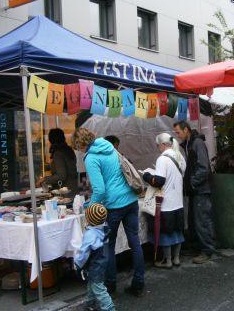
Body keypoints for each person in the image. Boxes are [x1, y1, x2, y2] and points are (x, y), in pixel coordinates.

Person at [72, 127, 145, 297]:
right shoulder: (108, 146)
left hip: (114, 205)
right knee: (135, 242)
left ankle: (110, 285)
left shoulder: (91, 158)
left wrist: (91, 207)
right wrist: (92, 201)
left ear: (79, 144)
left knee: (108, 246)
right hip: (131, 199)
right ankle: (139, 283)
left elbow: (100, 190)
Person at [173, 120, 216, 264]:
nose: (177, 135)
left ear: (186, 130)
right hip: (195, 190)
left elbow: (203, 167)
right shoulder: (188, 144)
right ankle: (198, 247)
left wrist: (192, 182)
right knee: (193, 221)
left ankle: (207, 250)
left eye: (178, 132)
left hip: (201, 189)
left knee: (202, 220)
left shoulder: (197, 143)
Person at [142, 133, 186, 268]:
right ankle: (177, 258)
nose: (157, 148)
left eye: (157, 145)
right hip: (178, 202)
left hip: (166, 203)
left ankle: (167, 261)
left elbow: (158, 181)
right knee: (177, 231)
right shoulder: (180, 156)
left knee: (166, 233)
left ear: (162, 144)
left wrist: (146, 175)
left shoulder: (162, 159)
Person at [74, 203, 115, 311]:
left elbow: (84, 252)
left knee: (98, 288)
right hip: (103, 260)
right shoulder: (104, 227)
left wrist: (77, 263)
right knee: (92, 283)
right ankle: (90, 303)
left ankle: (109, 308)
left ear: (89, 219)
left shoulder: (90, 234)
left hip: (95, 264)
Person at [38, 128, 78, 196]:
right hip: (73, 187)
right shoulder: (68, 149)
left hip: (65, 191)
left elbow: (61, 175)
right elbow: (66, 166)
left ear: (51, 140)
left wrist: (44, 179)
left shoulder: (58, 153)